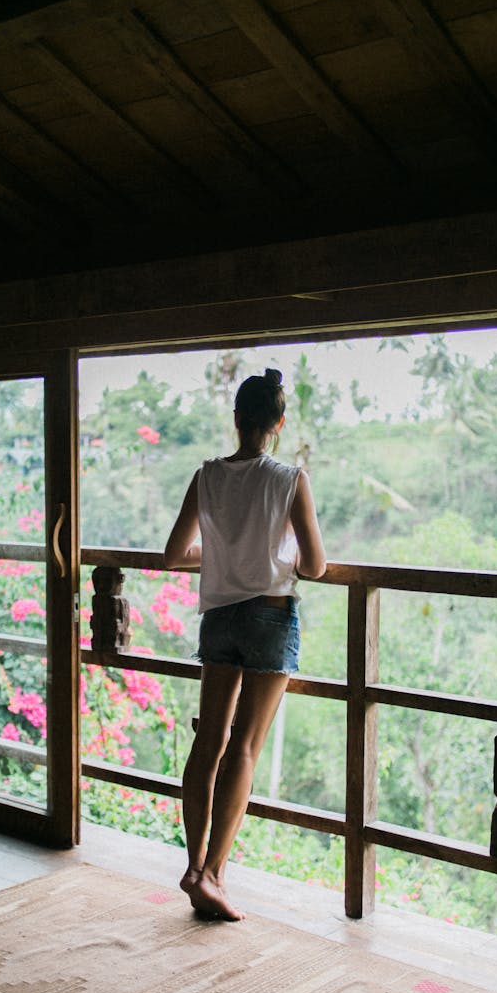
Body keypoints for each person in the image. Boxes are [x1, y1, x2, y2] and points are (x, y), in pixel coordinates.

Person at [163, 367, 326, 921]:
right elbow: (317, 565)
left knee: (208, 741)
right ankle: (213, 875)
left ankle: (192, 865)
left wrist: (226, 558)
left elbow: (173, 553)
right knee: (245, 748)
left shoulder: (207, 476)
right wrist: (273, 558)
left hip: (219, 619)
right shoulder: (289, 479)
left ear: (236, 418)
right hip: (270, 617)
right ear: (278, 424)